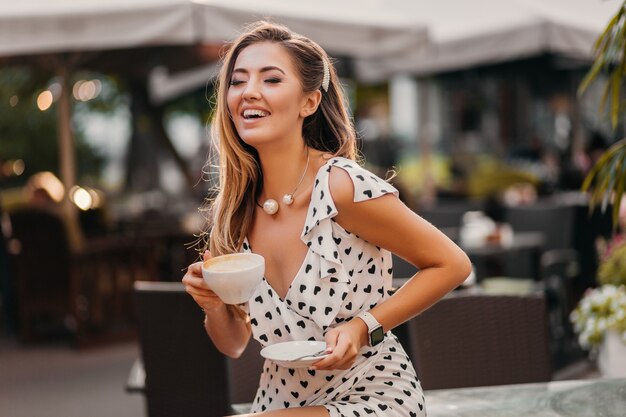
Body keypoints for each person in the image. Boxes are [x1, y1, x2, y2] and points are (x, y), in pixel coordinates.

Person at [182, 21, 472, 417]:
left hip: (373, 397)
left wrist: (363, 325)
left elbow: (452, 264)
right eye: (238, 81)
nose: (249, 91)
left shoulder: (340, 188)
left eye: (271, 79)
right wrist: (213, 305)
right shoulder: (233, 214)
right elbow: (233, 344)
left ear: (309, 102)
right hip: (280, 402)